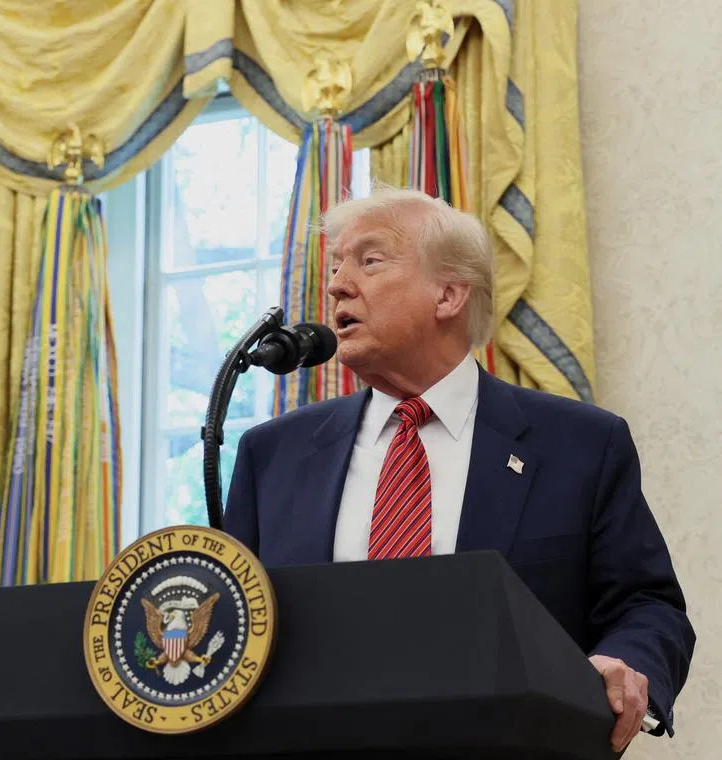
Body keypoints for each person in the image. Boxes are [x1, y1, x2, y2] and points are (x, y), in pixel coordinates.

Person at [223, 187, 694, 753]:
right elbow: (234, 625)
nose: (337, 285)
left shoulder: (582, 445)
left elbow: (647, 606)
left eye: (370, 261)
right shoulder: (272, 454)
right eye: (337, 265)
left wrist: (624, 665)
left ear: (447, 294)